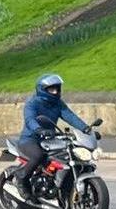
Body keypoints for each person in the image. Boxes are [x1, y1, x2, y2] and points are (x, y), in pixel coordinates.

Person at [12, 72, 88, 201]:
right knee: (38, 155)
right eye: (52, 89)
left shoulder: (58, 103)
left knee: (66, 155)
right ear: (42, 90)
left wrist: (86, 129)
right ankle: (21, 178)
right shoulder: (32, 103)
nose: (55, 92)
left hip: (50, 139)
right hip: (30, 139)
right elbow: (30, 120)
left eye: (57, 88)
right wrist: (39, 129)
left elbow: (70, 116)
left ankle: (60, 187)